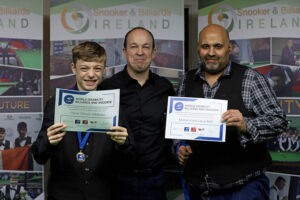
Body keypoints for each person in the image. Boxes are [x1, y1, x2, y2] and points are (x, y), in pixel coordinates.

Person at [176, 24, 287, 200]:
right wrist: (180, 147)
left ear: (229, 48)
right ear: (198, 48)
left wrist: (246, 125)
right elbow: (179, 127)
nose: (211, 52)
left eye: (218, 46)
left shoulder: (251, 79)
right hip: (198, 188)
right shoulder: (186, 81)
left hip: (243, 189)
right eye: (205, 46)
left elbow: (278, 121)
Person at [31, 41, 129, 200]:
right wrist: (48, 142)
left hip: (101, 195)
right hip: (62, 195)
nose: (91, 74)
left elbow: (128, 158)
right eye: (84, 68)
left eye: (97, 68)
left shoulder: (114, 107)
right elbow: (38, 156)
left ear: (104, 69)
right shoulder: (56, 104)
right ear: (73, 68)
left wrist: (124, 143)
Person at [99, 27, 175, 200]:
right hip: (116, 181)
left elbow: (173, 130)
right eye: (134, 46)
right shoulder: (107, 88)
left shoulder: (166, 88)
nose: (140, 52)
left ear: (153, 52)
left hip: (155, 180)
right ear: (125, 52)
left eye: (146, 47)